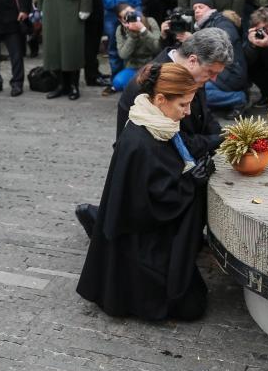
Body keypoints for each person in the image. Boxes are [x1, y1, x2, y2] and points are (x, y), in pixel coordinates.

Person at [77, 62, 207, 321]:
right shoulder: (141, 140)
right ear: (160, 99)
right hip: (140, 244)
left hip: (145, 235)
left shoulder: (155, 123)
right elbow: (148, 205)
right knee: (191, 307)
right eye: (183, 105)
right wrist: (191, 183)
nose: (188, 112)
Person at [189, 0, 248, 116]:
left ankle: (238, 98)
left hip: (231, 73)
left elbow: (224, 44)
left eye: (201, 7)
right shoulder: (204, 25)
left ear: (210, 8)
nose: (197, 10)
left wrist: (193, 40)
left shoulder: (222, 23)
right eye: (195, 8)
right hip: (218, 71)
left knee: (200, 93)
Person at [111, 3, 161, 92]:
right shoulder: (120, 29)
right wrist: (132, 36)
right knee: (118, 83)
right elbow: (123, 55)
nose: (131, 16)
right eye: (126, 16)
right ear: (121, 20)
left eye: (132, 12)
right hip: (133, 66)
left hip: (151, 64)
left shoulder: (150, 21)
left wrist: (143, 30)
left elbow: (157, 48)